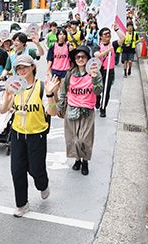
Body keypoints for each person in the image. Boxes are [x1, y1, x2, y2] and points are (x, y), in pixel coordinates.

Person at [0, 55, 60, 217]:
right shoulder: (15, 87)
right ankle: (22, 204)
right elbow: (2, 111)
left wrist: (49, 95)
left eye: (25, 67)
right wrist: (6, 100)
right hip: (17, 135)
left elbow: (52, 112)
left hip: (37, 136)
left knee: (36, 169)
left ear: (33, 67)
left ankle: (43, 185)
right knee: (17, 170)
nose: (22, 70)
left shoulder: (41, 87)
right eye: (19, 68)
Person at [59, 46, 103, 176]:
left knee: (84, 139)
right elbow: (64, 91)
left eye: (83, 57)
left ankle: (85, 161)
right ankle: (77, 160)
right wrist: (60, 107)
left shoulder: (95, 73)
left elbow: (98, 91)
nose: (80, 59)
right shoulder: (70, 74)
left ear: (88, 59)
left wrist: (94, 79)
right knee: (73, 138)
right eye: (77, 57)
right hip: (72, 110)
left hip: (87, 111)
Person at [92, 25, 126, 117]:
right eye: (105, 34)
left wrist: (116, 29)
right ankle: (97, 100)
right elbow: (97, 55)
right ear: (101, 36)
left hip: (109, 71)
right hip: (99, 71)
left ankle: (103, 108)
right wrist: (107, 51)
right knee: (98, 89)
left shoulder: (113, 45)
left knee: (106, 91)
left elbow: (122, 38)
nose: (108, 35)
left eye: (109, 33)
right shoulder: (97, 46)